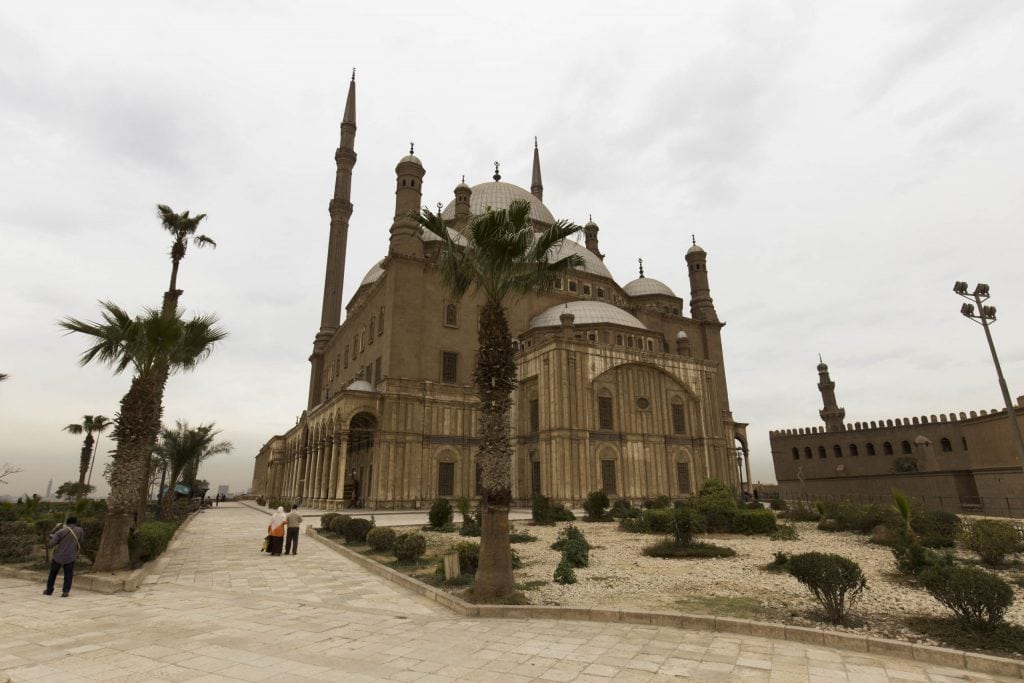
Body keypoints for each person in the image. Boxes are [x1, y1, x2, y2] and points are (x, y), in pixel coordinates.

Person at [45, 516, 84, 597]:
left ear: (67, 523)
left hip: (58, 556)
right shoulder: (80, 530)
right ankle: (65, 591)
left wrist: (49, 540)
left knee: (53, 574)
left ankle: (49, 590)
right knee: (68, 574)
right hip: (71, 556)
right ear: (76, 522)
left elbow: (51, 544)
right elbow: (80, 542)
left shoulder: (60, 532)